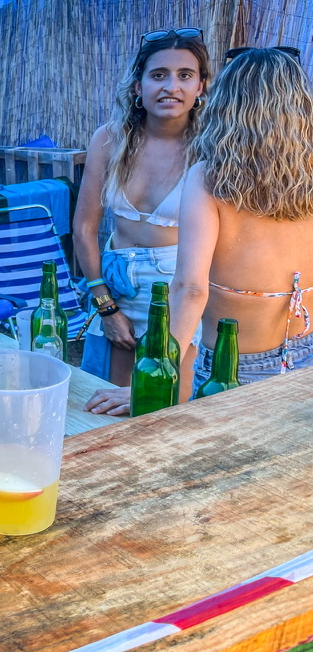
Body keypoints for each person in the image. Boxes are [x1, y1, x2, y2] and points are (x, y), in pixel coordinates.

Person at [75, 28, 211, 416]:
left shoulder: (211, 147)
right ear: (138, 86)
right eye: (158, 75)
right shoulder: (110, 139)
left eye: (185, 75)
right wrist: (105, 307)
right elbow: (84, 229)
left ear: (201, 86)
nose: (171, 86)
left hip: (178, 291)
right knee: (108, 410)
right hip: (115, 285)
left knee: (167, 409)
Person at [170, 47, 313, 390]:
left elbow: (191, 288)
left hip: (232, 368)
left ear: (226, 105)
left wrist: (163, 369)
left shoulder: (208, 177)